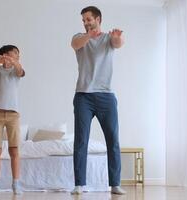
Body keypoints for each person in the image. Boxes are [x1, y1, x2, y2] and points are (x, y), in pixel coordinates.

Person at [70, 6, 126, 195]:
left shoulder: (108, 39)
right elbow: (76, 45)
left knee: (113, 140)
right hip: (83, 96)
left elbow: (118, 43)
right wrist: (89, 35)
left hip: (106, 96)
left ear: (98, 19)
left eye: (88, 19)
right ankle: (79, 184)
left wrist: (117, 36)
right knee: (81, 141)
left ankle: (115, 183)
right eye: (84, 20)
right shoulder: (79, 37)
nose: (86, 23)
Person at [0, 45, 25, 195]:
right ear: (4, 55)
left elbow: (20, 70)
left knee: (14, 150)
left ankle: (16, 184)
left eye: (17, 55)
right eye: (13, 54)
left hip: (13, 115)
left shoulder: (16, 71)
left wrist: (14, 62)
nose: (16, 57)